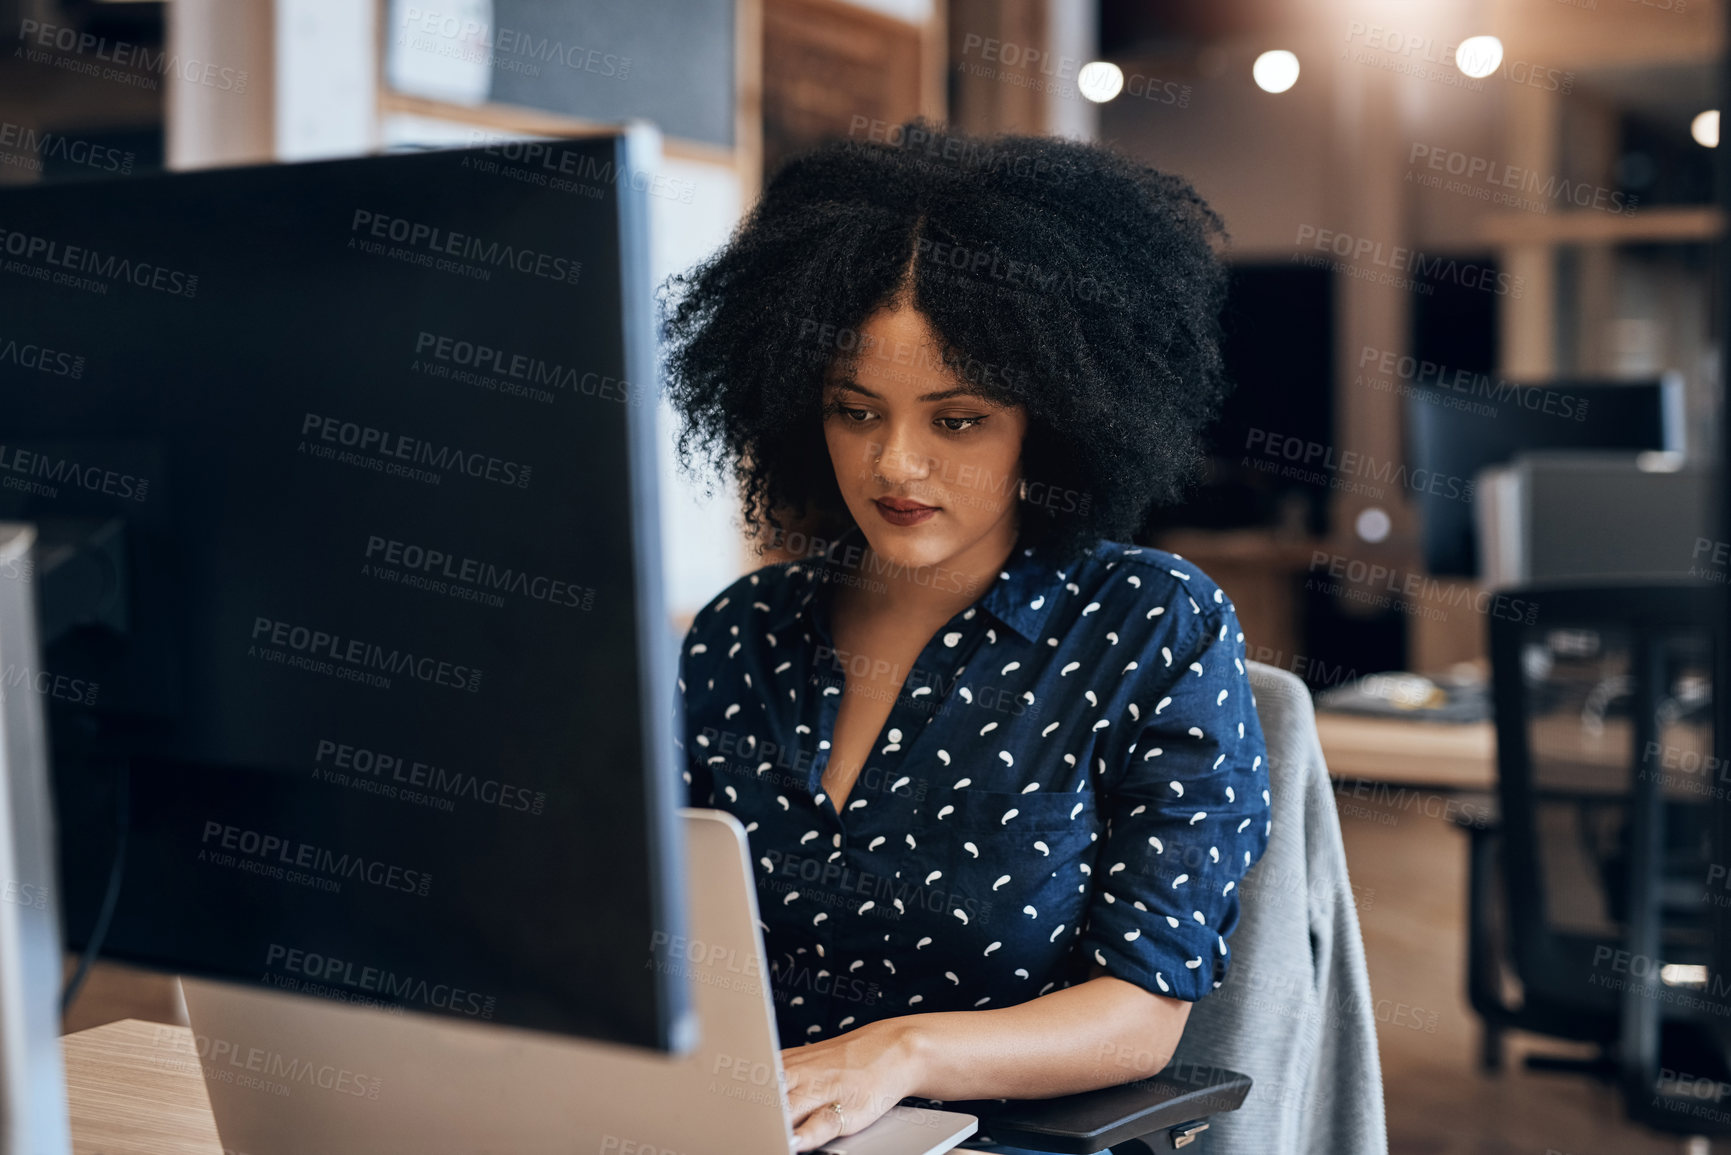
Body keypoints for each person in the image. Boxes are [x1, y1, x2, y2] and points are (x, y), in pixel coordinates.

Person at [662, 119, 1271, 1155]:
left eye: (956, 421)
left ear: (1057, 413)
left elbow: (1142, 1011)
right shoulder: (739, 636)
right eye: (855, 412)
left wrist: (897, 1055)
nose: (895, 464)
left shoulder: (1148, 626)